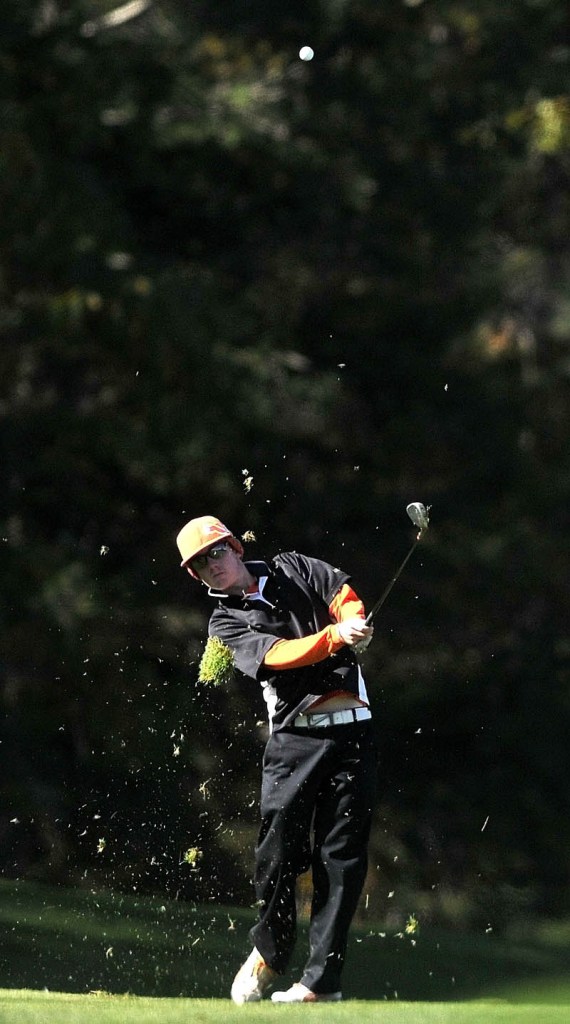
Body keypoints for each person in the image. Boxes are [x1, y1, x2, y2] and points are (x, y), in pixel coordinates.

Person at [176, 514, 377, 1004]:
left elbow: (339, 592)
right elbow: (279, 655)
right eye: (201, 564)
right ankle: (268, 952)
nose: (212, 565)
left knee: (342, 858)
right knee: (279, 854)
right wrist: (335, 638)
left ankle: (320, 983)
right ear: (196, 576)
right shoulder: (225, 622)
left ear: (235, 548)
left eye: (216, 552)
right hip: (293, 741)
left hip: (352, 731)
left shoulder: (293, 567)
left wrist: (351, 619)